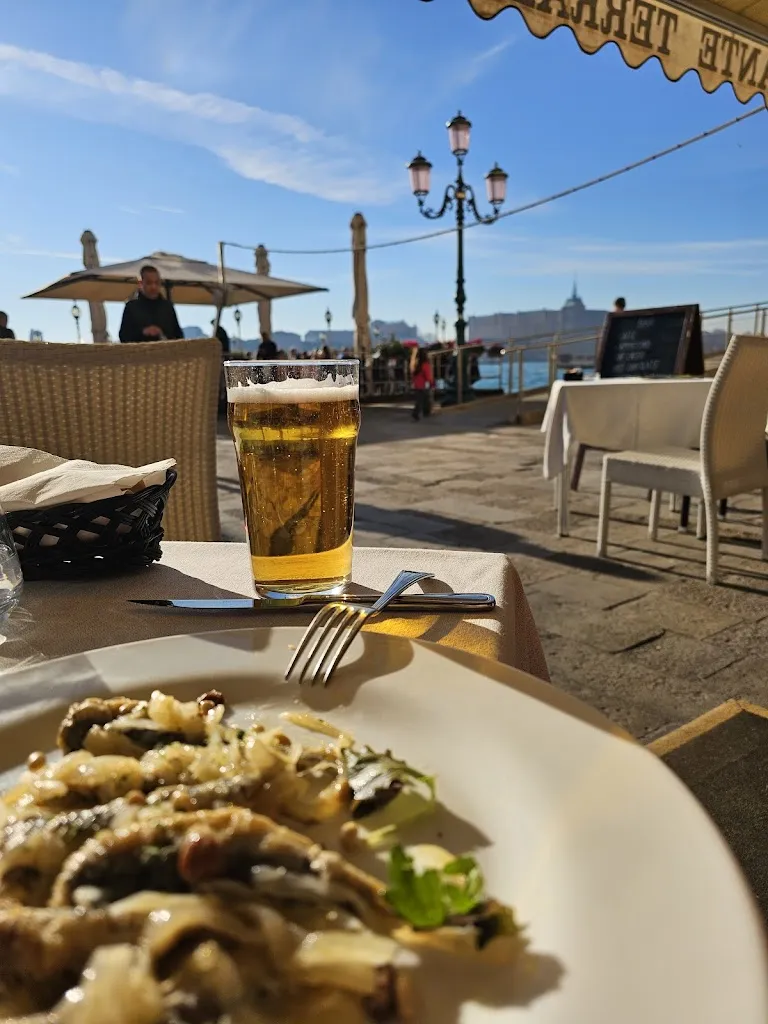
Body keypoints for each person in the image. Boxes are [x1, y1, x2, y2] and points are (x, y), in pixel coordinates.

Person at [118, 265, 183, 343]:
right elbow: (123, 336)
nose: (153, 286)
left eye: (157, 282)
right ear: (141, 283)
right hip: (139, 353)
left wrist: (162, 334)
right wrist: (143, 332)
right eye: (149, 283)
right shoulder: (131, 307)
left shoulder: (168, 307)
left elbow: (179, 336)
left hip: (164, 352)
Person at [410, 347, 434, 421]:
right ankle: (424, 412)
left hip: (417, 384)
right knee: (426, 398)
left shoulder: (416, 363)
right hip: (424, 384)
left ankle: (417, 413)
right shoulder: (425, 364)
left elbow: (412, 371)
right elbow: (428, 375)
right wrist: (431, 382)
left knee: (419, 399)